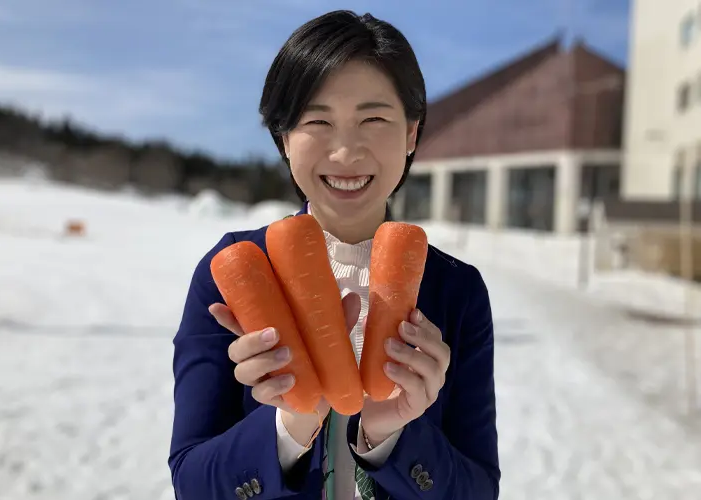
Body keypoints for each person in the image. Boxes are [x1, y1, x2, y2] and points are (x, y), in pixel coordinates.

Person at [168, 10, 500, 500]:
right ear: (284, 137)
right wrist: (290, 424)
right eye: (317, 120)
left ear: (411, 133)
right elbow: (192, 484)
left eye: (374, 119)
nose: (345, 152)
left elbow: (479, 490)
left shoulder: (457, 290)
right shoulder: (235, 270)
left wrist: (393, 436)